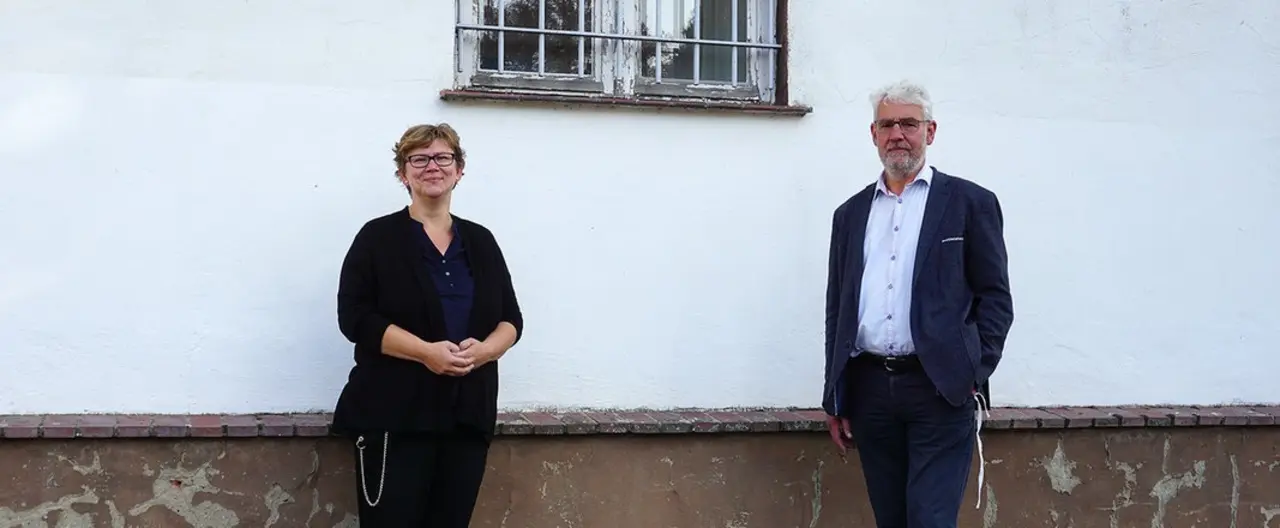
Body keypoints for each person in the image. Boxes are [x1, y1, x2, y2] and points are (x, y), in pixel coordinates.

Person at [821, 81, 1014, 528]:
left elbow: (995, 299)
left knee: (929, 519)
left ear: (930, 130)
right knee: (891, 519)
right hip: (869, 391)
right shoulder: (850, 215)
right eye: (888, 124)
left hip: (939, 390)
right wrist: (834, 395)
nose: (898, 134)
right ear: (873, 134)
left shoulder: (969, 204)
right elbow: (839, 309)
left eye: (909, 123)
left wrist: (971, 369)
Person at [330, 123, 524, 526]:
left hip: (466, 416)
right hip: (395, 417)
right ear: (403, 173)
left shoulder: (481, 240)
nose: (431, 166)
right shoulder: (376, 238)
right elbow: (355, 317)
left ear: (459, 170)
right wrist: (426, 353)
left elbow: (511, 319)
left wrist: (486, 350)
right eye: (418, 159)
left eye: (442, 157)